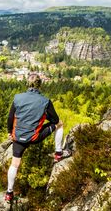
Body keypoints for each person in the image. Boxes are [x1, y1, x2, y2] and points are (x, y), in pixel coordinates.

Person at [5, 74, 71, 202]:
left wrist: (9, 132)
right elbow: (55, 120)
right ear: (39, 85)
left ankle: (9, 193)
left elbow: (10, 118)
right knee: (60, 124)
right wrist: (42, 115)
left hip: (18, 137)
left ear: (27, 84)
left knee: (15, 164)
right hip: (34, 137)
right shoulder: (45, 101)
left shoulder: (17, 98)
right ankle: (58, 153)